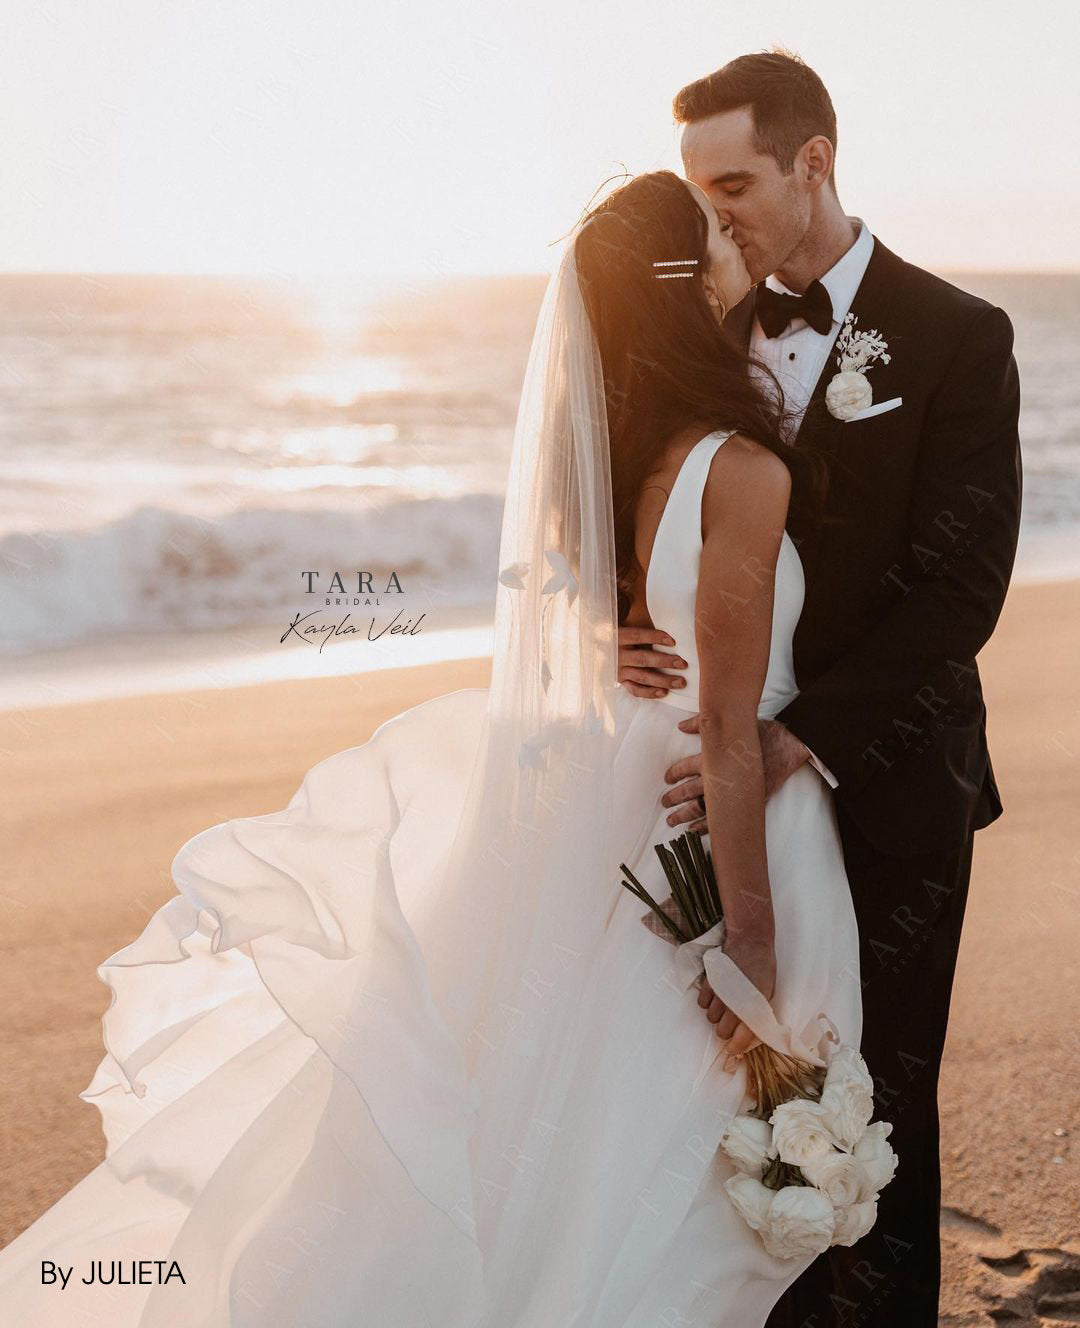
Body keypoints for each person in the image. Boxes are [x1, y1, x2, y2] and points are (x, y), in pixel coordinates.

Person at [0, 169, 864, 1326]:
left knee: (585, 1114)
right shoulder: (742, 472)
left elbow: (591, 606)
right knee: (686, 1130)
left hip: (629, 800)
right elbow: (732, 723)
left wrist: (600, 632)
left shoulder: (617, 459)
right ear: (680, 281)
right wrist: (748, 944)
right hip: (714, 814)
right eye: (712, 228)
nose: (732, 239)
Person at [618, 52, 1022, 1326]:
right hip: (718, 784)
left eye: (734, 185)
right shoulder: (699, 330)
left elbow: (962, 591)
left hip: (889, 774)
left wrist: (797, 737)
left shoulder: (957, 335)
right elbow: (635, 501)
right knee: (737, 1084)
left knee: (877, 1094)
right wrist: (618, 622)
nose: (715, 216)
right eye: (699, 192)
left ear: (814, 162)